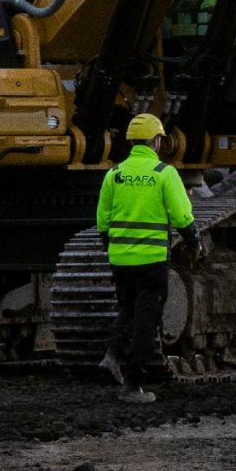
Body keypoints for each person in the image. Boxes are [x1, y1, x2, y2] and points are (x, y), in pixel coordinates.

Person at [95, 113, 196, 402]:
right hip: (151, 261)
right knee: (146, 319)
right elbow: (181, 215)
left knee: (127, 308)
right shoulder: (164, 173)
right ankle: (133, 385)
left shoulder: (114, 174)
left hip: (121, 259)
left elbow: (103, 220)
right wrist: (194, 241)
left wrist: (112, 247)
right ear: (157, 140)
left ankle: (112, 355)